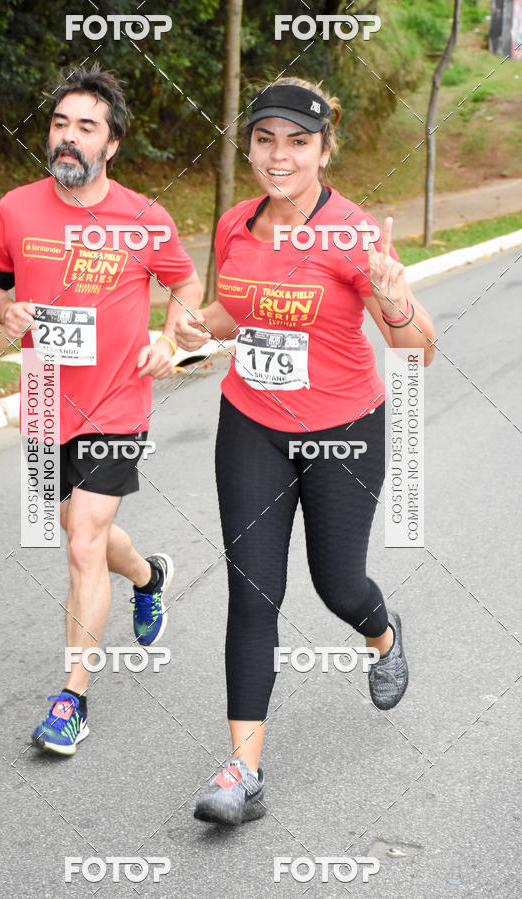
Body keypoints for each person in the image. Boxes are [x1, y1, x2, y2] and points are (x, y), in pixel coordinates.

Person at [175, 78, 436, 825]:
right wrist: (201, 329)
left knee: (337, 581)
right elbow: (237, 310)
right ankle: (242, 772)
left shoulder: (353, 233)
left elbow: (416, 350)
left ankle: (380, 632)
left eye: (297, 140)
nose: (278, 154)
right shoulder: (234, 224)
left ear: (325, 149)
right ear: (250, 145)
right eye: (265, 139)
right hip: (251, 421)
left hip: (342, 429)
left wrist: (395, 301)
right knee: (253, 591)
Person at [0, 64, 202, 755]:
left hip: (116, 401)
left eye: (86, 128)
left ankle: (71, 698)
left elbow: (186, 285)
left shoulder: (143, 218)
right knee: (78, 528)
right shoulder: (18, 207)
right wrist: (4, 311)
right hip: (46, 398)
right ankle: (148, 575)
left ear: (113, 145)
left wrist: (171, 340)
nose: (68, 139)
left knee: (79, 544)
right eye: (59, 124)